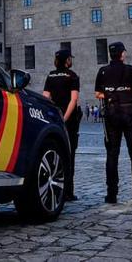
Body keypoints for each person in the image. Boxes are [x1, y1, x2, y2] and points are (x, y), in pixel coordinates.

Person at [94, 42, 132, 204]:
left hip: (111, 115)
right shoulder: (131, 70)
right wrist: (127, 92)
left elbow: (98, 94)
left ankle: (111, 194)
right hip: (129, 114)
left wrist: (111, 94)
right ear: (122, 54)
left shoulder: (103, 71)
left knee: (112, 155)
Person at [43, 49, 82, 201]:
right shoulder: (72, 76)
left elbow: (46, 97)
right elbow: (73, 100)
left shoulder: (50, 75)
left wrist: (55, 116)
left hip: (55, 116)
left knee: (57, 153)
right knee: (70, 154)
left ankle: (57, 187)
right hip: (69, 119)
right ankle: (68, 192)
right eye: (70, 59)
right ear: (67, 61)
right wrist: (65, 118)